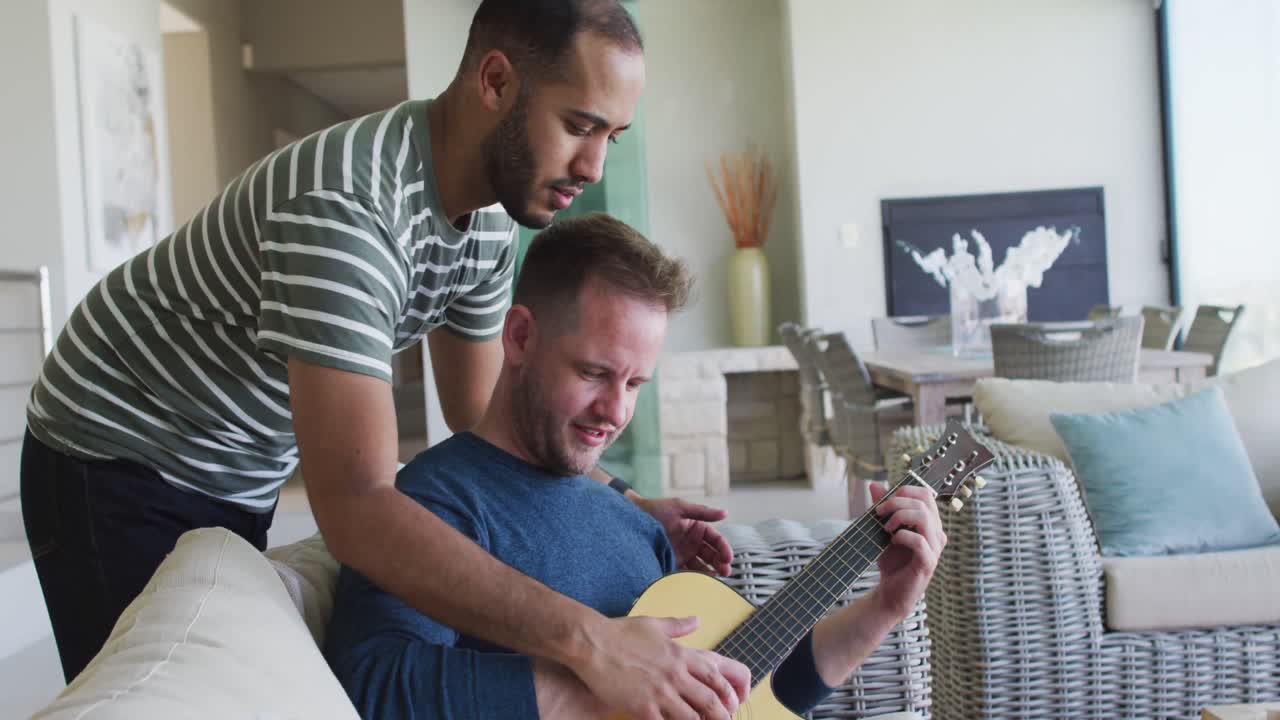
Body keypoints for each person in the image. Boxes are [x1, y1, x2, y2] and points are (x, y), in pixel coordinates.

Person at [20, 1, 744, 714]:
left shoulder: (488, 226)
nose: (591, 165)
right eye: (578, 125)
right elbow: (358, 508)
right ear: (495, 82)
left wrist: (626, 507)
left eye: (610, 136)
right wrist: (592, 643)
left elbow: (481, 415)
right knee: (159, 691)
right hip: (115, 446)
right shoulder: (347, 210)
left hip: (242, 461)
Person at [324, 213, 948, 720]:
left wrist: (887, 605)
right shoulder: (436, 505)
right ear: (518, 339)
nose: (614, 411)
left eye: (635, 382)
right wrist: (601, 678)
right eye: (594, 373)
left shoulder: (634, 522)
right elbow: (370, 686)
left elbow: (761, 694)